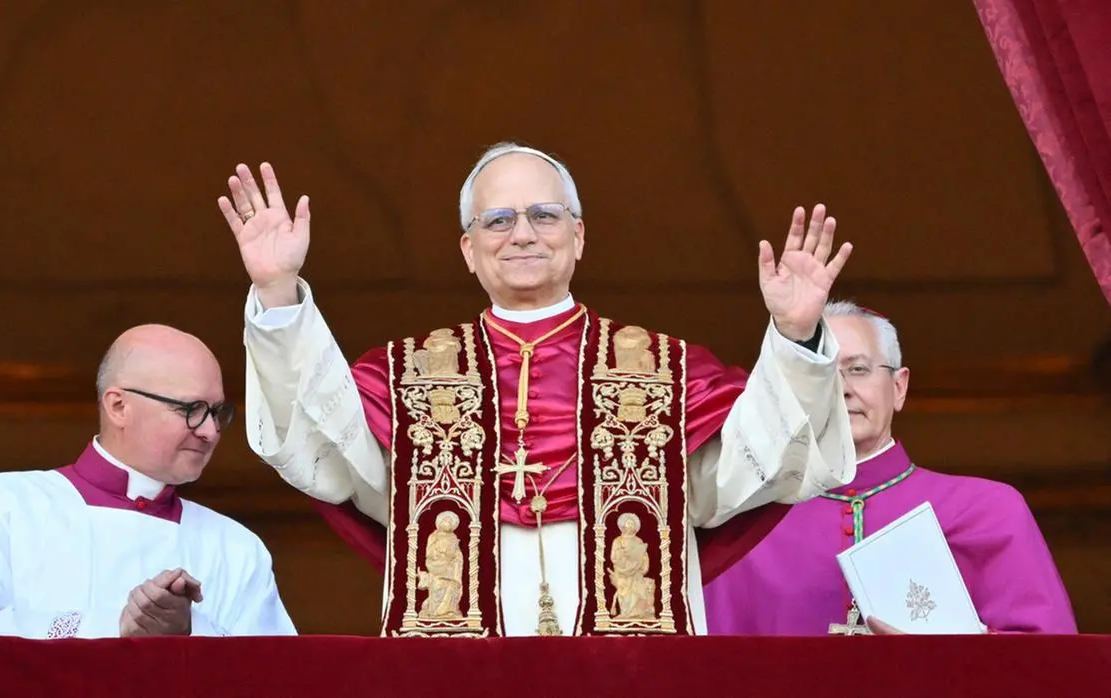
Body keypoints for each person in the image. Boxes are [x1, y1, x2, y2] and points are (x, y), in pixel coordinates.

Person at [219, 142, 859, 637]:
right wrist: (278, 295)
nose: (522, 233)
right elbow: (319, 450)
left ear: (579, 236)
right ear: (468, 250)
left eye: (544, 215)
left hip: (630, 671)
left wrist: (796, 336)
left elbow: (761, 466)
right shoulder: (407, 375)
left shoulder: (665, 370)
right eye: (497, 220)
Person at [702, 301, 1079, 635]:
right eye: (823, 375)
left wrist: (954, 660)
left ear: (899, 387)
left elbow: (1053, 667)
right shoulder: (743, 525)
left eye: (859, 369)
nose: (842, 389)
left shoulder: (988, 509)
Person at [0, 324, 298, 639]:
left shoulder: (238, 548)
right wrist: (115, 626)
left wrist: (188, 631)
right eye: (192, 410)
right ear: (118, 406)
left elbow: (276, 677)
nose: (210, 431)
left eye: (217, 412)